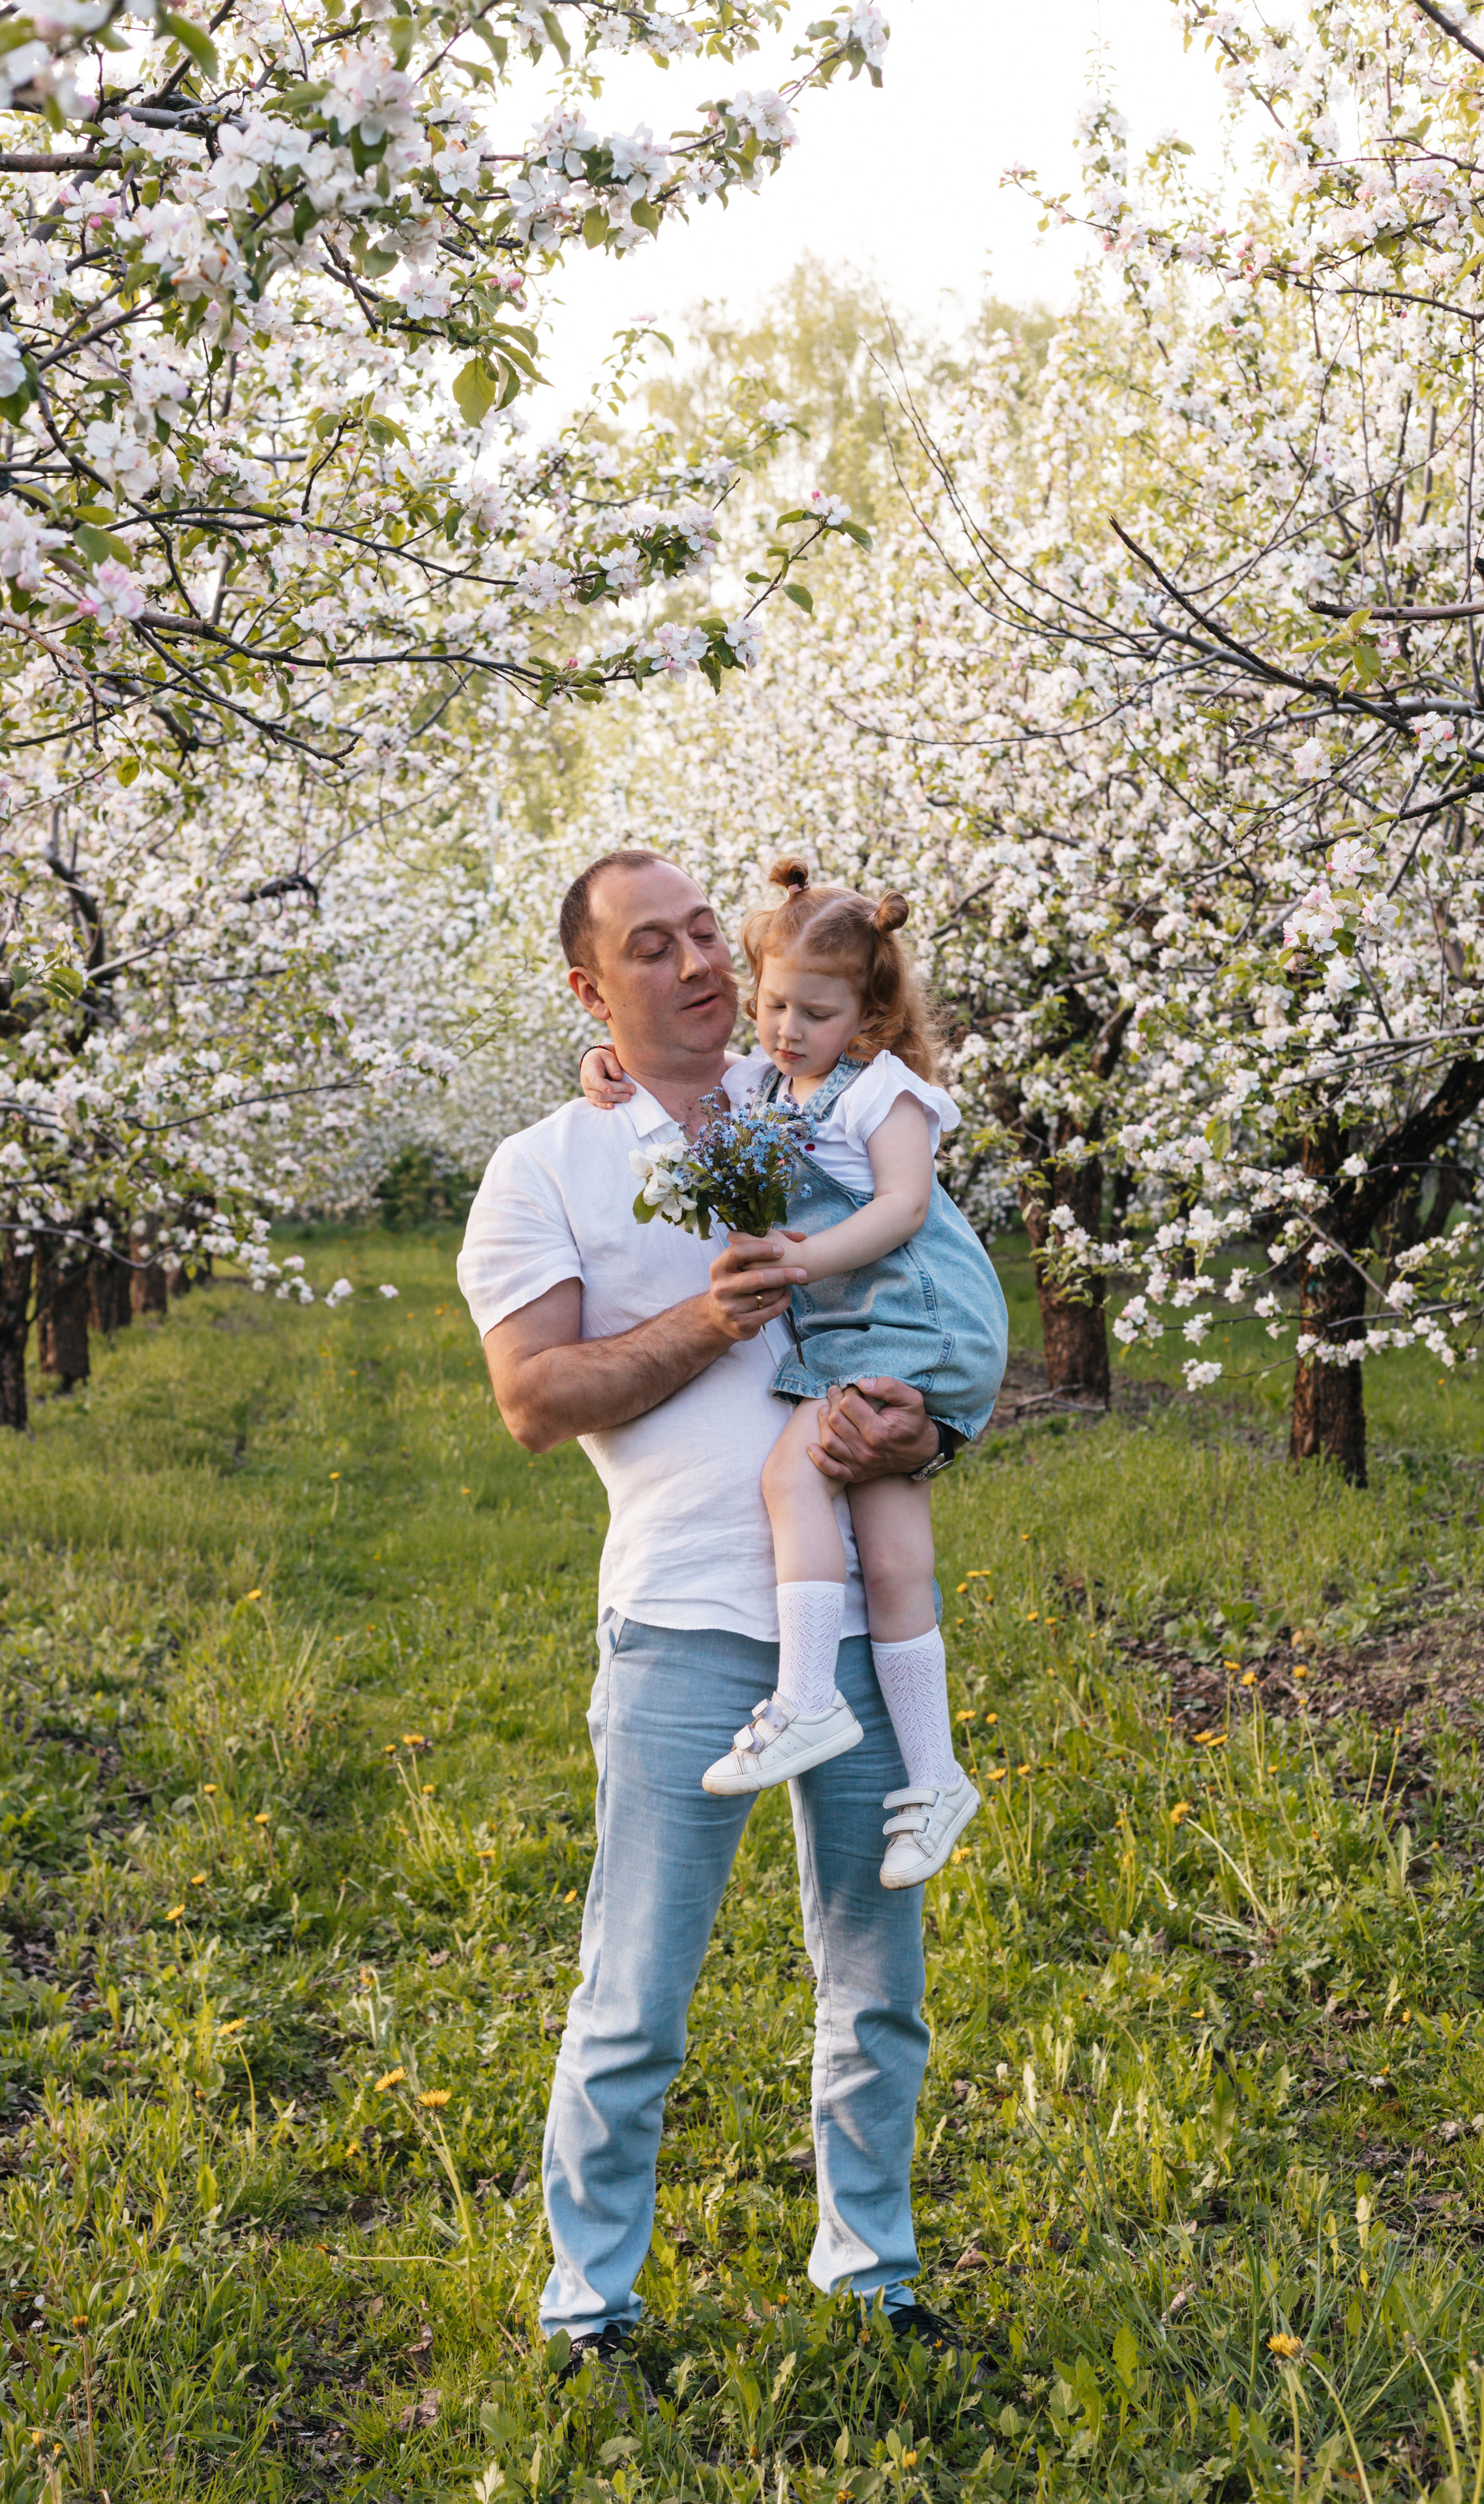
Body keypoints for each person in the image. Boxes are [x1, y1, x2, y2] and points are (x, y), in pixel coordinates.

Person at [456, 848, 976, 2382]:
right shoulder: (544, 1167)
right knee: (635, 1991)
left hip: (855, 1621)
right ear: (587, 989)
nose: (693, 965)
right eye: (650, 946)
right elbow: (533, 1400)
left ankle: (870, 2276)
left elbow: (931, 1285)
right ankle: (588, 2306)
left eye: (705, 935)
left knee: (877, 1986)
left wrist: (932, 1427)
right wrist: (705, 1316)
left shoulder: (807, 1096)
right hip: (683, 1620)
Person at [581, 858, 1007, 1888]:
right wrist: (604, 1066)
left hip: (916, 1322)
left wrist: (802, 1260)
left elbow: (904, 1207)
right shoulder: (772, 1083)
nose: (782, 1029)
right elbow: (686, 1089)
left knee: (790, 1473)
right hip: (871, 1333)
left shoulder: (884, 1091)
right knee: (895, 1564)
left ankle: (809, 1698)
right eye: (771, 1005)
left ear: (867, 1019)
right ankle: (938, 1776)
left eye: (814, 1014)